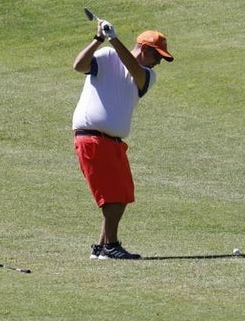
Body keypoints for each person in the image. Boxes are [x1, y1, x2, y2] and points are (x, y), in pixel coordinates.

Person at [71, 17, 173, 259]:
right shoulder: (106, 56)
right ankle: (111, 245)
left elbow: (133, 69)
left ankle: (102, 246)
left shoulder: (146, 75)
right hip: (93, 138)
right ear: (145, 49)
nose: (158, 63)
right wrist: (99, 39)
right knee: (112, 196)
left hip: (113, 142)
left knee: (122, 193)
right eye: (157, 56)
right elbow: (78, 66)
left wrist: (115, 39)